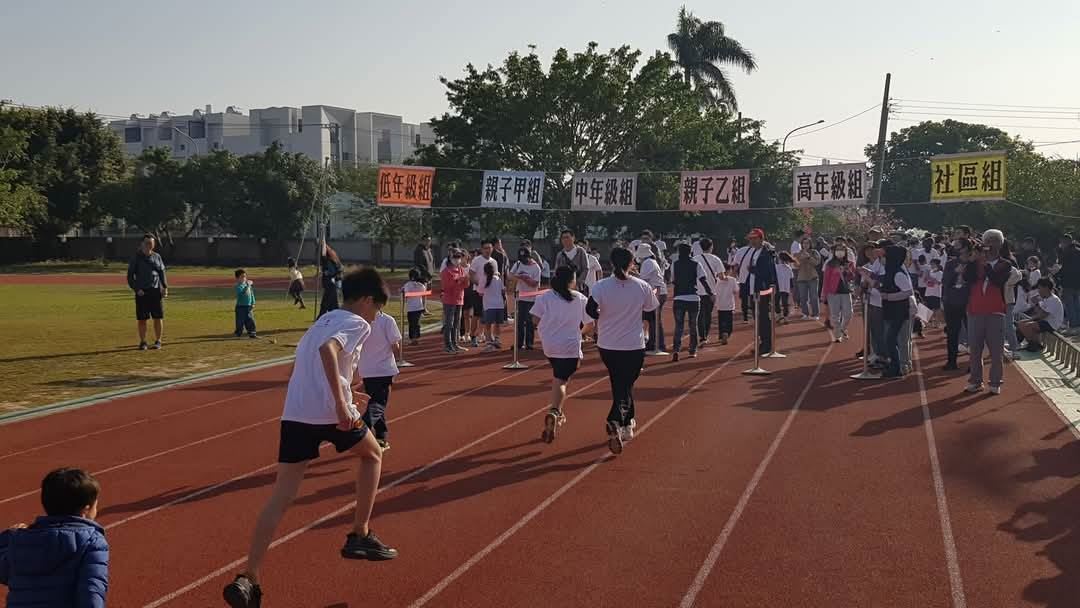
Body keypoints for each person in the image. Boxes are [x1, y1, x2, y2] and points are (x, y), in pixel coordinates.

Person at [223, 269, 397, 608]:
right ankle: (360, 533)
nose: (376, 318)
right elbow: (328, 352)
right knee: (373, 454)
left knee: (281, 497)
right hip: (329, 413)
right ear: (366, 301)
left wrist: (345, 392)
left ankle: (249, 577)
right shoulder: (357, 323)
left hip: (296, 413)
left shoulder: (322, 320)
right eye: (377, 309)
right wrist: (340, 404)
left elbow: (303, 364)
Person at [0, 468, 108, 608]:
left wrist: (9, 536)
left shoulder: (21, 539)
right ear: (86, 510)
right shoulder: (92, 541)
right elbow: (92, 590)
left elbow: (4, 572)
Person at [586, 247, 659, 455]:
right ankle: (615, 419)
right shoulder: (642, 286)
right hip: (633, 345)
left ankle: (627, 424)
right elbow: (651, 311)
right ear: (632, 263)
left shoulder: (601, 286)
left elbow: (590, 310)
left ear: (611, 263)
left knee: (621, 384)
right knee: (625, 384)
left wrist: (603, 315)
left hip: (608, 345)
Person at [531, 267, 594, 443]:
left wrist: (547, 327)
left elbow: (534, 319)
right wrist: (581, 333)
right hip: (569, 346)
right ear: (572, 281)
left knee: (559, 376)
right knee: (561, 380)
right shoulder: (580, 298)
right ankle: (555, 411)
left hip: (549, 346)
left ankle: (558, 411)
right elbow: (590, 324)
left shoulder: (545, 297)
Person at [964, 229, 1012, 395]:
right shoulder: (976, 262)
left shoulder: (1005, 264)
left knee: (996, 350)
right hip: (975, 309)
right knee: (975, 349)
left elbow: (998, 281)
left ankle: (995, 382)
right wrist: (972, 261)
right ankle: (975, 381)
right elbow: (967, 278)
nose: (990, 244)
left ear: (1000, 243)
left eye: (994, 240)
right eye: (988, 240)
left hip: (995, 311)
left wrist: (986, 265)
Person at [357, 305, 401, 451]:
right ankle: (362, 426)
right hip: (384, 370)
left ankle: (381, 436)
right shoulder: (387, 320)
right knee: (378, 404)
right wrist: (397, 359)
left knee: (375, 402)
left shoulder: (361, 321)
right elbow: (395, 345)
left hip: (366, 370)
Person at [671, 242, 712, 362]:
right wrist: (710, 293)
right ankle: (692, 350)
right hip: (693, 298)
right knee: (693, 325)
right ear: (690, 252)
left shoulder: (675, 264)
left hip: (679, 298)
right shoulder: (696, 263)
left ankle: (676, 350)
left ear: (679, 252)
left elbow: (673, 280)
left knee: (679, 326)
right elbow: (703, 280)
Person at [127, 233, 168, 350]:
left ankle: (158, 341)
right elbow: (130, 276)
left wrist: (165, 287)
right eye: (147, 243)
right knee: (142, 319)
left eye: (151, 243)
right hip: (142, 292)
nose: (149, 245)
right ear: (142, 244)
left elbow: (162, 272)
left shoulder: (157, 257)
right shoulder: (136, 258)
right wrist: (137, 289)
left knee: (158, 317)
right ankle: (143, 342)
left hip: (155, 291)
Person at [740, 229, 777, 353]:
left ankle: (767, 344)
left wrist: (753, 270)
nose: (752, 241)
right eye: (750, 239)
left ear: (761, 239)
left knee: (763, 317)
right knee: (757, 317)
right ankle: (763, 342)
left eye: (755, 238)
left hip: (762, 289)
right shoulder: (755, 251)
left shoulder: (766, 253)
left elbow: (767, 272)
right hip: (754, 288)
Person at [880, 245, 914, 378]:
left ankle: (898, 367)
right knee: (889, 340)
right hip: (890, 310)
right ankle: (895, 365)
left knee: (892, 339)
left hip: (899, 311)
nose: (882, 259)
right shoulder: (889, 271)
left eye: (885, 256)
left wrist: (889, 297)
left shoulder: (898, 273)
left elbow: (908, 291)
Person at [942, 237, 972, 371]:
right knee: (952, 332)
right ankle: (951, 361)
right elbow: (945, 281)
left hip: (969, 301)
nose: (956, 248)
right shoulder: (951, 263)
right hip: (952, 301)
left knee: (973, 333)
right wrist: (955, 272)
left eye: (958, 245)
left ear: (966, 248)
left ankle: (974, 363)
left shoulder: (973, 263)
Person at [1017, 278, 1066, 351]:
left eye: (1039, 288)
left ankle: (1035, 345)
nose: (1038, 290)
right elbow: (1039, 312)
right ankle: (1019, 343)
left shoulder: (1054, 300)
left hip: (1052, 323)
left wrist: (1030, 319)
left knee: (1028, 325)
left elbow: (1043, 315)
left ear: (1046, 288)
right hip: (1045, 320)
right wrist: (1036, 304)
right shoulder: (1045, 298)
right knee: (1020, 324)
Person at [636, 242, 668, 354]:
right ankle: (653, 343)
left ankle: (658, 344)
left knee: (654, 319)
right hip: (657, 292)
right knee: (652, 319)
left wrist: (632, 274)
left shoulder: (648, 263)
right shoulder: (651, 262)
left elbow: (642, 279)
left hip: (657, 293)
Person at [822, 243, 856, 343]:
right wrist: (824, 294)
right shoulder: (830, 264)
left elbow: (853, 277)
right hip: (833, 292)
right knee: (835, 315)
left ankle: (842, 329)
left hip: (846, 291)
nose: (840, 252)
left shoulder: (849, 263)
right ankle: (837, 335)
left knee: (848, 314)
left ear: (845, 251)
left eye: (842, 250)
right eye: (838, 250)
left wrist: (848, 271)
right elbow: (826, 280)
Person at [509, 247, 541, 350]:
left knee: (530, 321)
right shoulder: (518, 264)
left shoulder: (536, 267)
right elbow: (510, 275)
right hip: (520, 297)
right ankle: (519, 342)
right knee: (520, 321)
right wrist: (518, 277)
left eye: (525, 258)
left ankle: (529, 342)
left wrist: (526, 279)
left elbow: (535, 284)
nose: (523, 261)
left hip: (531, 298)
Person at [694, 238, 724, 343]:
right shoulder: (716, 259)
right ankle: (705, 334)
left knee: (699, 314)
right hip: (711, 291)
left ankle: (702, 335)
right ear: (711, 247)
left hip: (697, 290)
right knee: (707, 314)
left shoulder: (695, 259)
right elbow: (721, 276)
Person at [440, 250, 469, 354]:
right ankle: (448, 345)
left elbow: (466, 285)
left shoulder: (461, 269)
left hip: (459, 299)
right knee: (449, 323)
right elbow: (446, 286)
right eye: (455, 257)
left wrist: (465, 280)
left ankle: (455, 343)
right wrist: (458, 281)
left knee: (456, 323)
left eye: (459, 257)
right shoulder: (446, 271)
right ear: (450, 258)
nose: (457, 259)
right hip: (449, 300)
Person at [467, 241, 496, 346]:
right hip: (478, 292)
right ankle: (473, 336)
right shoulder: (477, 260)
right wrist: (480, 285)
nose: (488, 250)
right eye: (485, 248)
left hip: (490, 293)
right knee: (477, 314)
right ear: (482, 249)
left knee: (489, 314)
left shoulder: (494, 262)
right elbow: (471, 274)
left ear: (492, 249)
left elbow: (496, 276)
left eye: (489, 248)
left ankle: (486, 335)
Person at [1054, 233, 1080, 334]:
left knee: (1069, 304)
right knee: (1077, 303)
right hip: (1078, 282)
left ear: (1065, 242)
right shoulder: (1078, 251)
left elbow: (1062, 268)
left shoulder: (1066, 253)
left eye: (1061, 242)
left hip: (1068, 282)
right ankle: (1078, 325)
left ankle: (1073, 326)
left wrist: (1056, 276)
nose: (1061, 245)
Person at [479, 262, 506, 351]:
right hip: (499, 305)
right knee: (497, 324)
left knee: (488, 325)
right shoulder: (498, 279)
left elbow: (480, 292)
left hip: (489, 305)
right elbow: (503, 290)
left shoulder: (483, 278)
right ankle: (497, 340)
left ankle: (489, 343)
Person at [554, 229, 591, 295]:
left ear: (573, 238)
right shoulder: (560, 255)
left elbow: (586, 268)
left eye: (567, 237)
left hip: (578, 287)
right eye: (563, 238)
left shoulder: (580, 251)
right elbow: (556, 271)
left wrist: (578, 282)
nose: (565, 240)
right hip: (564, 288)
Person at [794, 237, 822, 319]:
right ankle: (805, 313)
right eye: (804, 243)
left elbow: (817, 263)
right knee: (803, 297)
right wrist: (799, 259)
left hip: (813, 277)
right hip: (801, 278)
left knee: (814, 297)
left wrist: (809, 257)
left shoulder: (814, 252)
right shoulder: (798, 253)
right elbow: (796, 265)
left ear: (810, 244)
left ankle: (816, 314)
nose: (805, 245)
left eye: (807, 243)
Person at [714, 266, 739, 345]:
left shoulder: (717, 280)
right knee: (729, 320)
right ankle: (727, 332)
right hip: (729, 304)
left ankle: (722, 333)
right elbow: (736, 291)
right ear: (728, 270)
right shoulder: (732, 280)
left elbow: (714, 291)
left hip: (720, 304)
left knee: (721, 320)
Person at [402, 269, 426, 346]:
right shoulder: (421, 285)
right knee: (417, 323)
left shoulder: (408, 285)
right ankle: (416, 338)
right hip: (419, 307)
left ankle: (413, 339)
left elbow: (405, 293)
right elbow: (424, 295)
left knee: (412, 323)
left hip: (411, 308)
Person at [319, 244, 343, 318]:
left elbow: (332, 272)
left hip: (330, 285)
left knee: (325, 304)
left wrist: (326, 273)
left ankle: (320, 319)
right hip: (331, 285)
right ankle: (337, 318)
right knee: (333, 305)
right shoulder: (332, 260)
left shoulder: (328, 261)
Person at [233, 269, 258, 339]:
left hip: (248, 307)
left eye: (245, 276)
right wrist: (247, 286)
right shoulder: (239, 286)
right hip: (240, 307)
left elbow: (252, 294)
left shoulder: (248, 286)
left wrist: (253, 303)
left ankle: (252, 333)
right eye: (242, 277)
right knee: (240, 322)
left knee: (250, 320)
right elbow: (243, 293)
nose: (244, 278)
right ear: (237, 278)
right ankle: (238, 333)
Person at [775, 251, 795, 323]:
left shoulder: (776, 267)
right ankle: (785, 317)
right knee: (785, 303)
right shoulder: (788, 268)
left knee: (776, 302)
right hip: (785, 288)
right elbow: (791, 280)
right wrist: (792, 289)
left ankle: (779, 315)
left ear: (779, 259)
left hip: (778, 288)